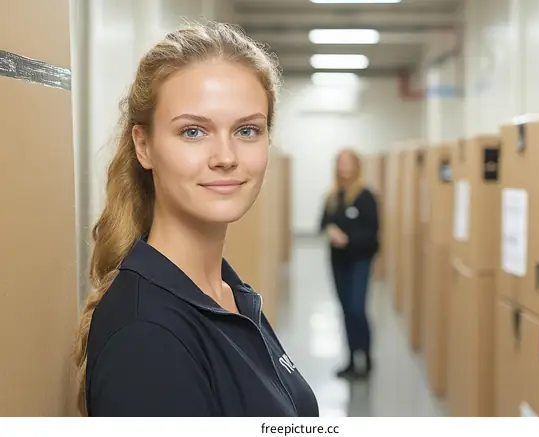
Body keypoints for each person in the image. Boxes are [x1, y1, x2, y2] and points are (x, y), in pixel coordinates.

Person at [74, 21, 319, 417]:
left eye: (247, 130)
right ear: (144, 146)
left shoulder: (229, 294)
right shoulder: (147, 338)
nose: (226, 156)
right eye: (193, 131)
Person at [319, 149, 380, 380]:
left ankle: (366, 355)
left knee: (357, 308)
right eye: (340, 163)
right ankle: (352, 359)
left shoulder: (365, 196)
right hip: (338, 262)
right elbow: (323, 222)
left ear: (357, 166)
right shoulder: (333, 196)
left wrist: (349, 239)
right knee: (345, 310)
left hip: (359, 261)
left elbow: (373, 233)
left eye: (348, 162)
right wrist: (330, 229)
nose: (344, 167)